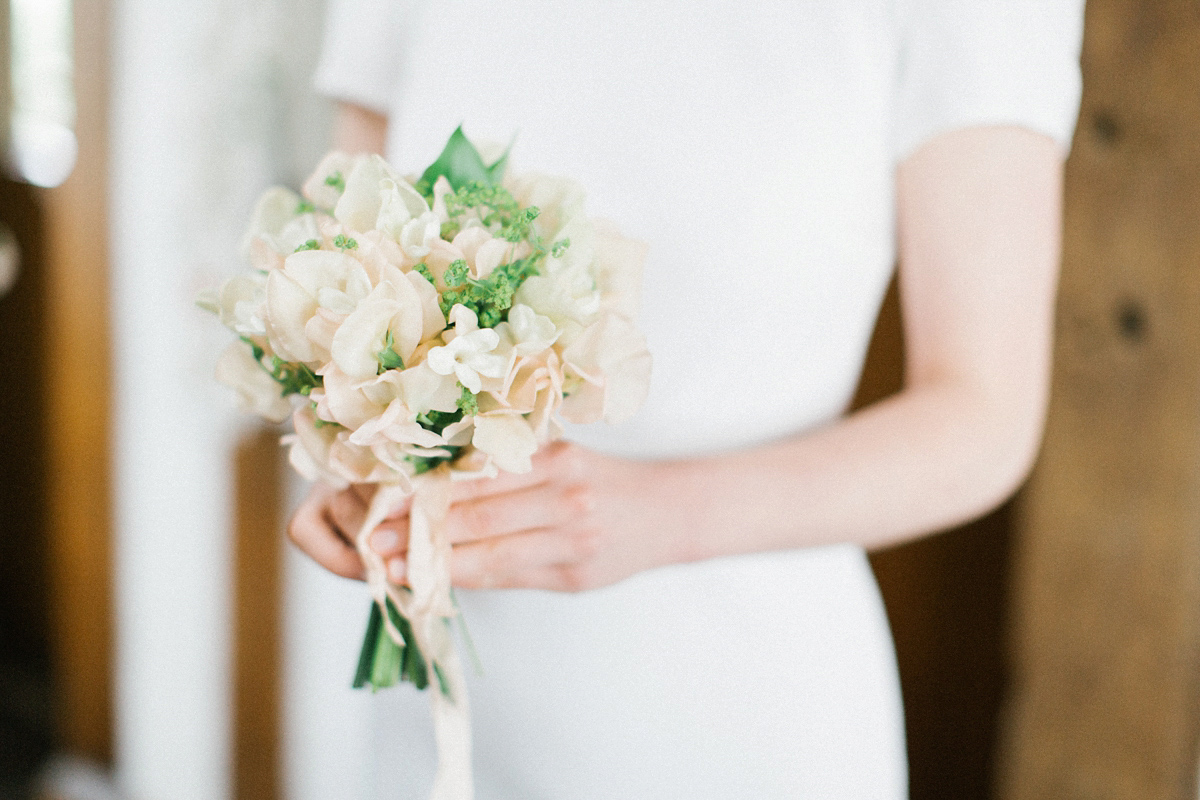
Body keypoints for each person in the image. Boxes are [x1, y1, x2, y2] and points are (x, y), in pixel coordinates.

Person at [288, 2, 1085, 796]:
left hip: (730, 701)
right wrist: (358, 447)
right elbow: (351, 276)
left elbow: (985, 417)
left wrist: (656, 511)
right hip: (441, 700)